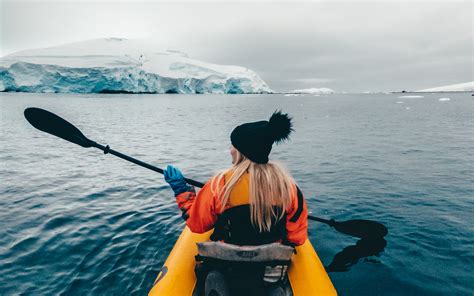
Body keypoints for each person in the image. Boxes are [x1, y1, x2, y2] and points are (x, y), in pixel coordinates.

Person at [163, 110, 308, 247]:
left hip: (228, 263)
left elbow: (196, 225)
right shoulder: (289, 188)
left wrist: (181, 191)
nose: (230, 150)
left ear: (242, 152)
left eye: (233, 146)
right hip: (270, 264)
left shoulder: (219, 184)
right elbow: (297, 239)